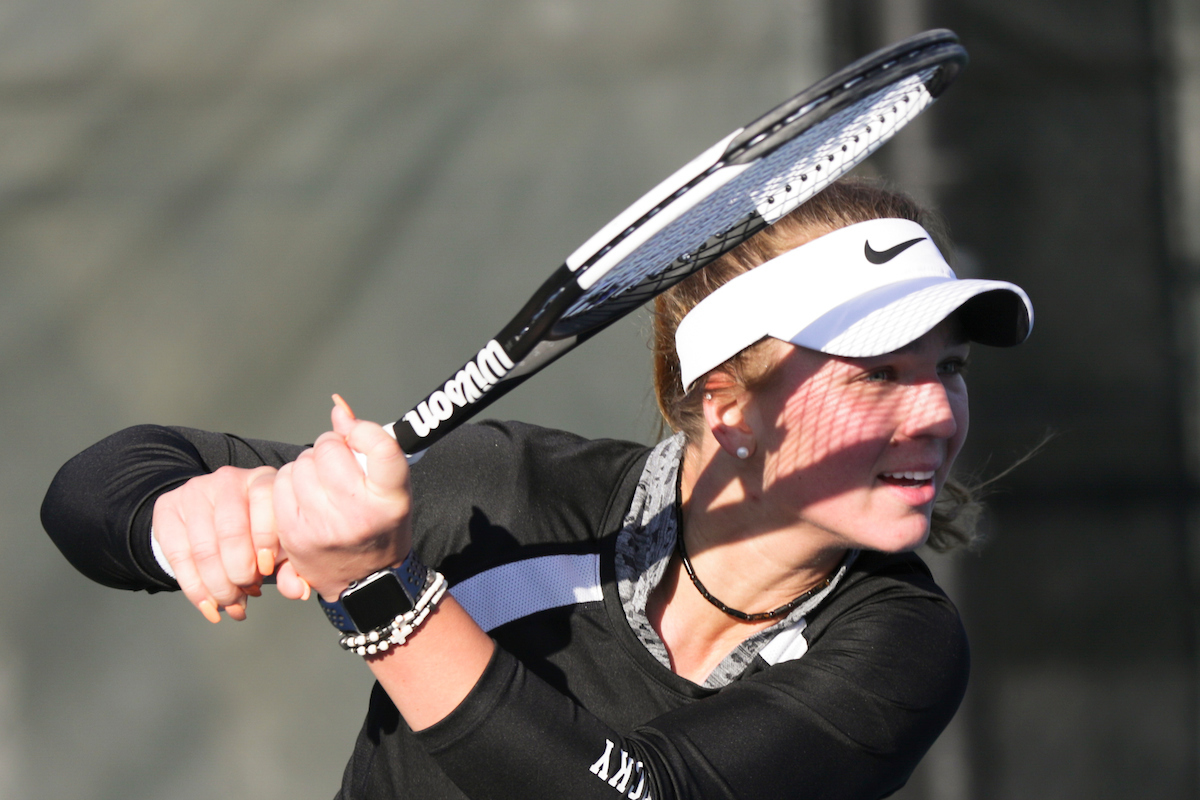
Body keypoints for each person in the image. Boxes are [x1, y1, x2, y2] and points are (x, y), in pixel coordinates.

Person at [42, 178, 1033, 800]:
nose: (938, 413)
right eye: (879, 373)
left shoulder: (900, 644)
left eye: (948, 368)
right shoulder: (504, 489)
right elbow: (97, 488)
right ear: (729, 405)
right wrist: (190, 513)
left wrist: (379, 595)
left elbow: (641, 793)